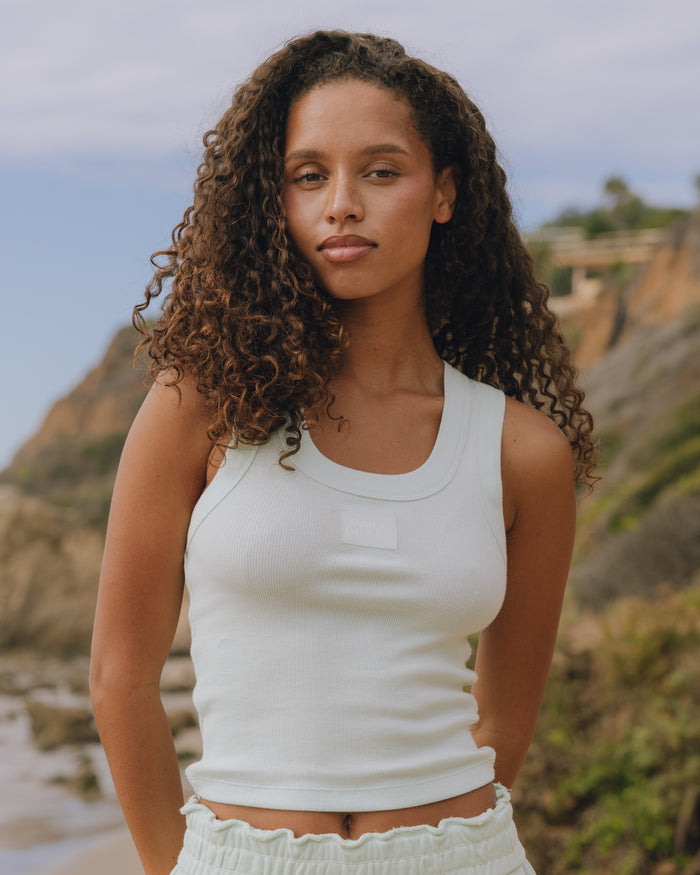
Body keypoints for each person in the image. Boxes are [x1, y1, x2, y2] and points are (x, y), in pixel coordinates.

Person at [90, 30, 596, 875]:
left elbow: (503, 725)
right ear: (273, 200)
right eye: (309, 175)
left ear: (443, 192)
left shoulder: (523, 452)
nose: (342, 204)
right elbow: (118, 676)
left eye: (383, 171)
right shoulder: (199, 406)